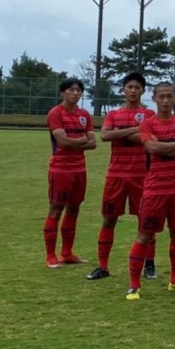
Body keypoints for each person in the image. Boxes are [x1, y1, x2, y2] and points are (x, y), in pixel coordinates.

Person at [125, 82, 175, 300]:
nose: (165, 100)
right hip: (155, 189)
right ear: (153, 99)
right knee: (145, 235)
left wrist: (164, 147)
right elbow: (151, 148)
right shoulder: (148, 123)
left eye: (169, 96)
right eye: (161, 96)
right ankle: (134, 285)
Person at [87, 72, 154, 281]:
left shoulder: (150, 114)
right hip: (115, 175)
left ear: (143, 91)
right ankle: (103, 266)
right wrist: (134, 130)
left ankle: (149, 264)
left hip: (141, 176)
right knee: (108, 220)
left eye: (137, 87)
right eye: (130, 87)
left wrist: (121, 132)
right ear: (123, 90)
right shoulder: (113, 114)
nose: (133, 91)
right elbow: (105, 135)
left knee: (145, 222)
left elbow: (147, 138)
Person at [44, 78, 97, 268]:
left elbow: (93, 143)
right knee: (56, 209)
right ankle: (50, 256)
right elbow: (63, 142)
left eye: (78, 90)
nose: (75, 93)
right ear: (62, 93)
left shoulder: (85, 115)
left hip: (79, 168)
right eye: (71, 90)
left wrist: (75, 141)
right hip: (60, 168)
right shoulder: (55, 113)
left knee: (74, 208)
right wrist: (82, 140)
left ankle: (67, 253)